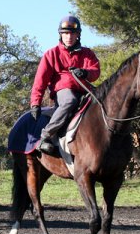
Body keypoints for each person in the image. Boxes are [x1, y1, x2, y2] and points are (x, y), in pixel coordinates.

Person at [30, 15, 101, 154]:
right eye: (66, 33)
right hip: (64, 91)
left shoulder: (87, 53)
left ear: (78, 35)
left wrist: (85, 73)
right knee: (70, 101)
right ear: (60, 35)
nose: (69, 37)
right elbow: (40, 80)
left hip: (85, 90)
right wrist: (35, 103)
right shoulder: (51, 54)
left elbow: (95, 71)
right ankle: (46, 137)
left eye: (72, 33)